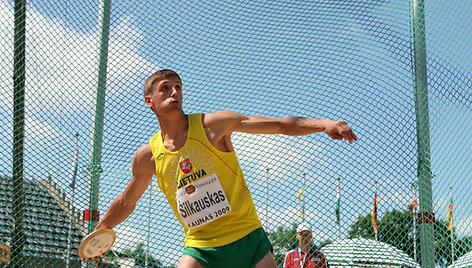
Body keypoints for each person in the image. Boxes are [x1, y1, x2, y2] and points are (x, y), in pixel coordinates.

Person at [86, 69, 357, 267]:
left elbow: (280, 125)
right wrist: (100, 232)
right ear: (149, 100)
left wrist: (325, 124)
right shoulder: (147, 157)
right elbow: (126, 201)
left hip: (248, 239)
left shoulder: (212, 126)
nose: (175, 92)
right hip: (201, 248)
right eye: (166, 88)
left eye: (178, 87)